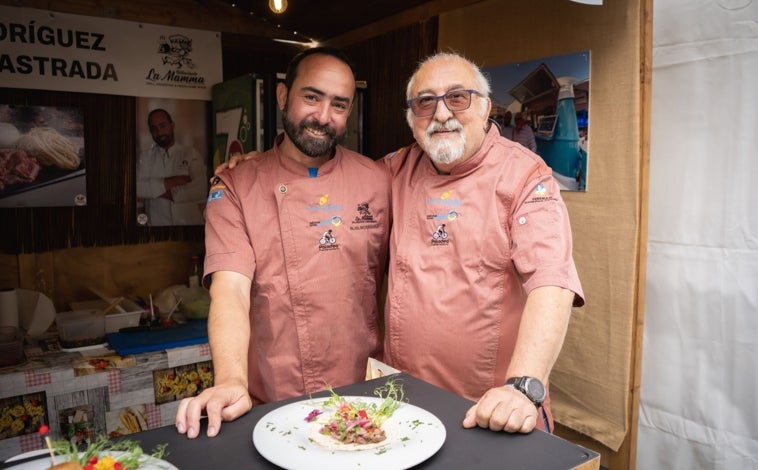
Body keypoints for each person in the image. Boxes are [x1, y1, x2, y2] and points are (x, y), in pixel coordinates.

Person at [174, 47, 390, 439]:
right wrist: (229, 380)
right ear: (281, 96)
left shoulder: (377, 181)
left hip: (365, 398)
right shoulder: (237, 186)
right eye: (311, 96)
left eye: (339, 105)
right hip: (273, 400)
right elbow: (230, 291)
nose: (323, 117)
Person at [381, 52, 584, 434]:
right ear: (411, 121)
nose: (441, 114)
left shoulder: (525, 175)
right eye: (425, 102)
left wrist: (523, 388)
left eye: (458, 98)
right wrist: (254, 166)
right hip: (402, 406)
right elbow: (336, 182)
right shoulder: (394, 169)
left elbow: (552, 281)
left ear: (486, 107)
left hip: (487, 412)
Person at [136, 108, 208, 226]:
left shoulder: (191, 154)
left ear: (172, 125)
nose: (159, 133)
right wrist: (175, 181)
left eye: (163, 126)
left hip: (189, 227)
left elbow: (200, 191)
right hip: (157, 227)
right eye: (154, 129)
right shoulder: (145, 157)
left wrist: (152, 190)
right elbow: (138, 189)